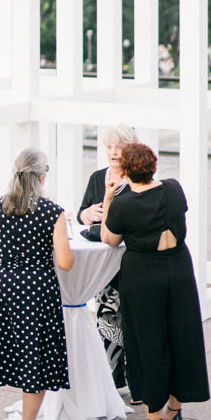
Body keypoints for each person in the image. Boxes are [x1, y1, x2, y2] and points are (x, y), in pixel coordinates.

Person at [101, 142, 210, 420]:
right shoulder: (174, 189)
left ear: (125, 170)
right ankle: (173, 410)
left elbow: (109, 239)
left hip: (143, 274)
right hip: (178, 268)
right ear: (153, 165)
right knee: (182, 336)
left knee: (147, 342)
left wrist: (109, 198)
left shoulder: (123, 203)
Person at [0, 148, 74, 420]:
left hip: (1, 287)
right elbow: (66, 262)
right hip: (36, 292)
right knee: (35, 360)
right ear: (42, 177)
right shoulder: (51, 212)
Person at [77, 123, 138, 394]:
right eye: (109, 147)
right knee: (107, 319)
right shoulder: (96, 178)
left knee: (134, 321)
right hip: (103, 264)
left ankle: (137, 383)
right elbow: (80, 214)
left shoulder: (138, 179)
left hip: (130, 261)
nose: (113, 153)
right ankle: (112, 382)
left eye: (119, 147)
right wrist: (87, 214)